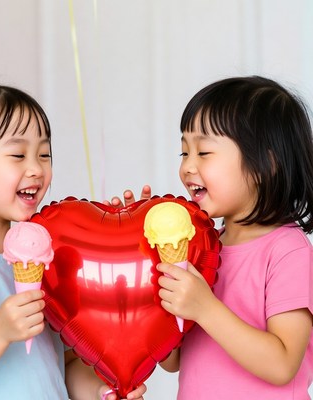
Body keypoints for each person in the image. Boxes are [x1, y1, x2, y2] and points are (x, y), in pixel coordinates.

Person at [0, 83, 146, 400]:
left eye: (44, 154)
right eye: (18, 155)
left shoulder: (47, 257)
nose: (37, 168)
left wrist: (102, 391)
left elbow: (63, 363)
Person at [110, 76, 313, 399]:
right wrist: (144, 258)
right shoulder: (202, 248)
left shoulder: (287, 251)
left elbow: (283, 363)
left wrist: (205, 308)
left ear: (267, 163)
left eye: (203, 152)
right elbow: (172, 359)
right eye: (183, 153)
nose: (188, 167)